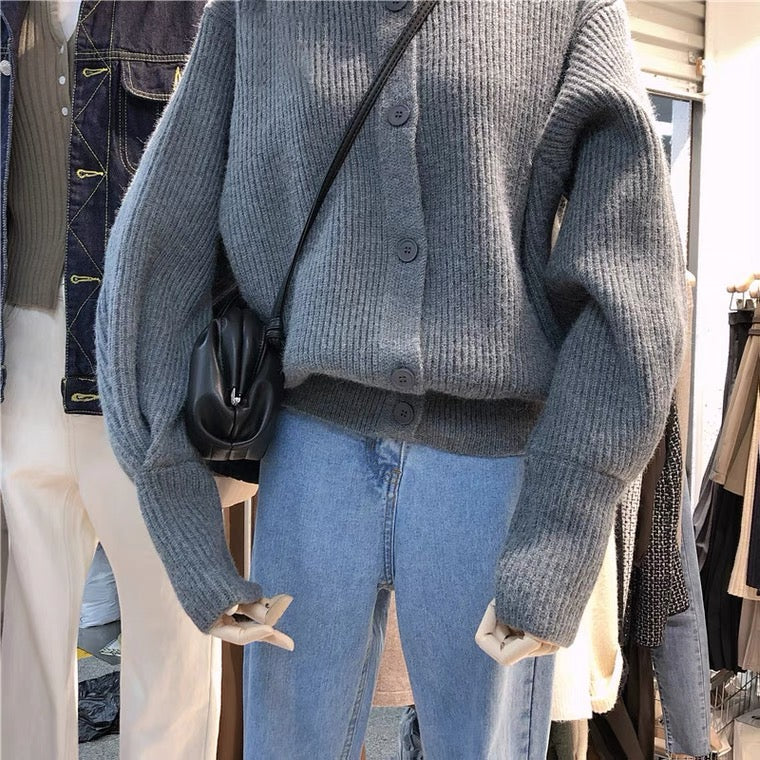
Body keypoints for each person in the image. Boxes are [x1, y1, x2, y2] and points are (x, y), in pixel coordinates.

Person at [96, 1, 687, 757]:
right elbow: (162, 237)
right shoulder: (258, 11)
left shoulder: (566, 10)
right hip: (311, 456)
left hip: (490, 468)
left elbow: (631, 275)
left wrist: (562, 528)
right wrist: (174, 492)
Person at [0, 2, 238, 758]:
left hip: (145, 376)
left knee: (170, 653)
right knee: (24, 652)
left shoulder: (190, 13)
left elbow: (237, 192)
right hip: (21, 365)